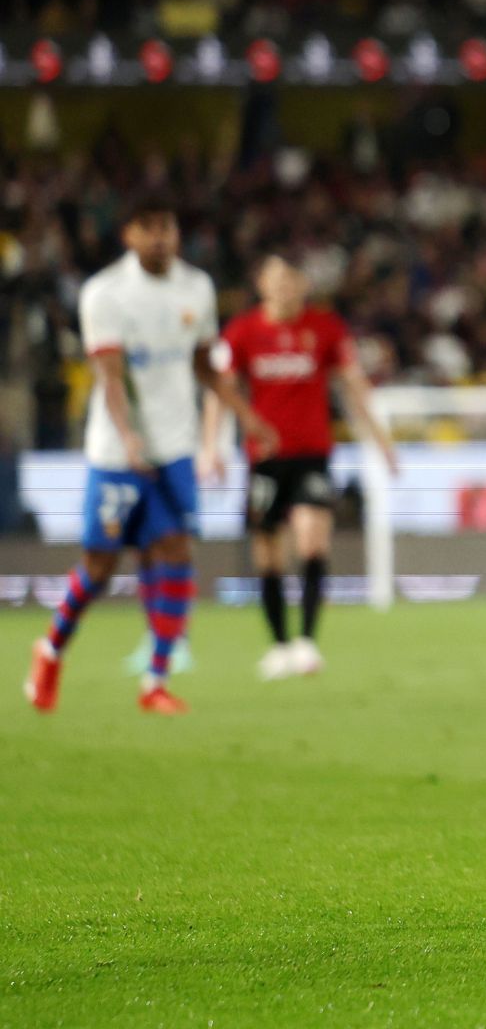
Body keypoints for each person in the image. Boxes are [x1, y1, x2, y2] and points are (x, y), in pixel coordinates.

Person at [23, 193, 277, 715]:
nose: (161, 236)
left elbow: (205, 365)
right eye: (149, 226)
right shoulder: (106, 293)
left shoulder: (197, 287)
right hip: (118, 454)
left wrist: (243, 414)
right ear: (129, 235)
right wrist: (129, 435)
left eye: (168, 226)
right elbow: (110, 376)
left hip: (176, 447)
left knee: (176, 551)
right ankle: (50, 652)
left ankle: (155, 680)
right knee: (99, 566)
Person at [200, 252, 398, 679]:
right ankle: (279, 645)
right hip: (265, 460)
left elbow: (353, 386)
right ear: (262, 286)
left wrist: (381, 441)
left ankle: (307, 641)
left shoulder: (324, 328)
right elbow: (220, 390)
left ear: (302, 287)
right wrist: (210, 445)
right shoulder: (243, 332)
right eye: (277, 281)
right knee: (268, 553)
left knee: (312, 541)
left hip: (313, 454)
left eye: (292, 281)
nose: (285, 289)